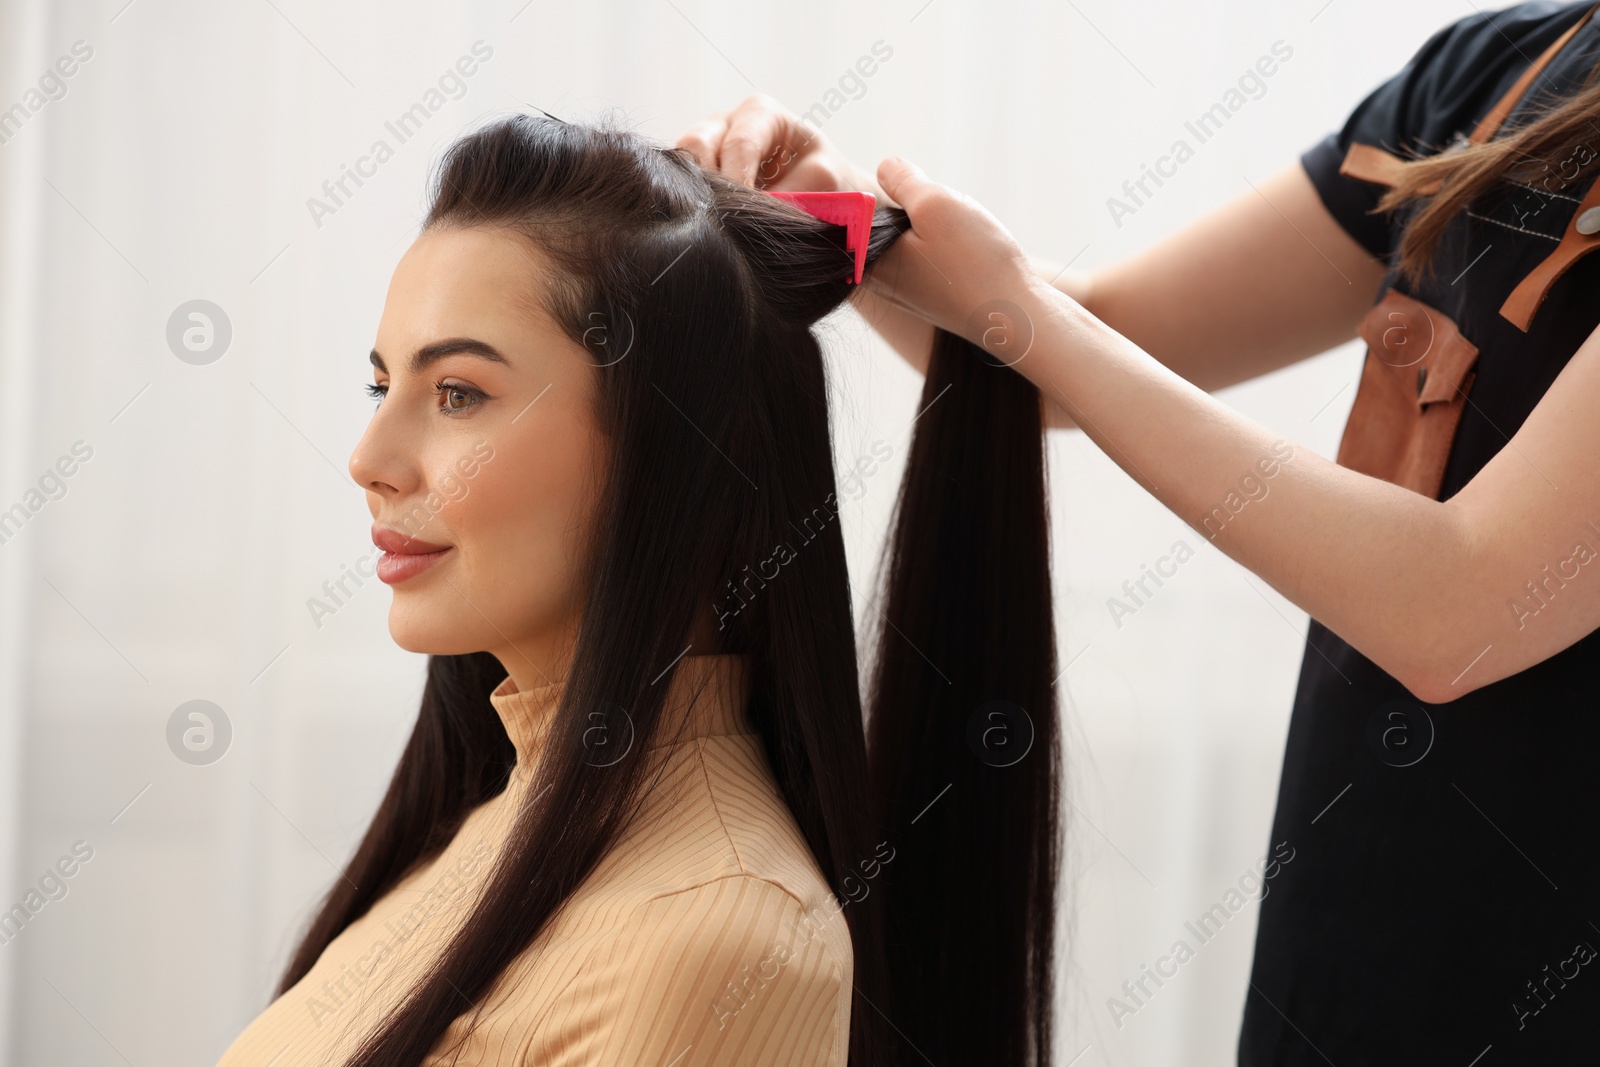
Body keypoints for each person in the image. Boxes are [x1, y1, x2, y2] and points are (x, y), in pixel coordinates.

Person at [679, 0, 1600, 1061]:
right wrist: (830, 216)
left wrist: (1021, 309)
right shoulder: (1494, 68)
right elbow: (1096, 346)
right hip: (1346, 968)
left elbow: (1467, 607)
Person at [214, 114, 1061, 1067]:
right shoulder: (495, 824)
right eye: (383, 390)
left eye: (457, 393)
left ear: (677, 456)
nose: (370, 460)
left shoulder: (720, 940)